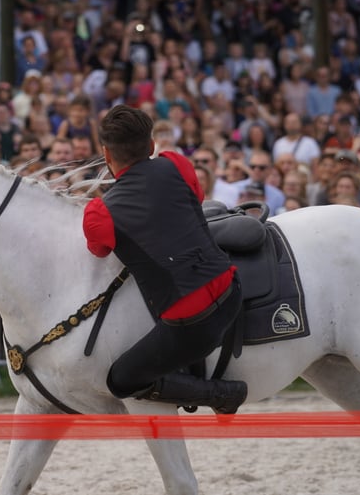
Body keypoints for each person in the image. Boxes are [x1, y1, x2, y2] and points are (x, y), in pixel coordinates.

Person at [82, 105, 247, 413]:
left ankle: (220, 394)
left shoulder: (99, 212)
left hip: (192, 325)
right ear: (153, 145)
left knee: (120, 380)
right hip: (232, 289)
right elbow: (194, 200)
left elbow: (98, 251)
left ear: (106, 154)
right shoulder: (177, 164)